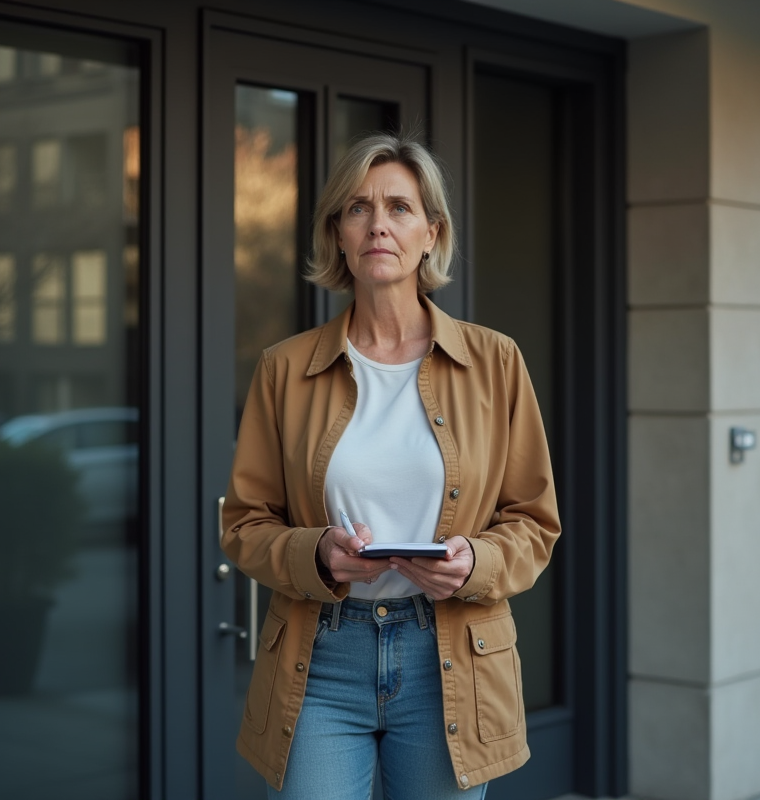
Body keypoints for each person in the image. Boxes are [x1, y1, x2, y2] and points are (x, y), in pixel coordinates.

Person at [221, 132, 560, 799]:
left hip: (452, 658)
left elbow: (533, 521)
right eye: (358, 208)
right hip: (319, 661)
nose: (379, 223)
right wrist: (317, 554)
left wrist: (475, 563)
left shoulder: (496, 362)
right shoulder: (284, 369)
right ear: (338, 235)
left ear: (431, 233)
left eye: (399, 207)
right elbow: (244, 524)